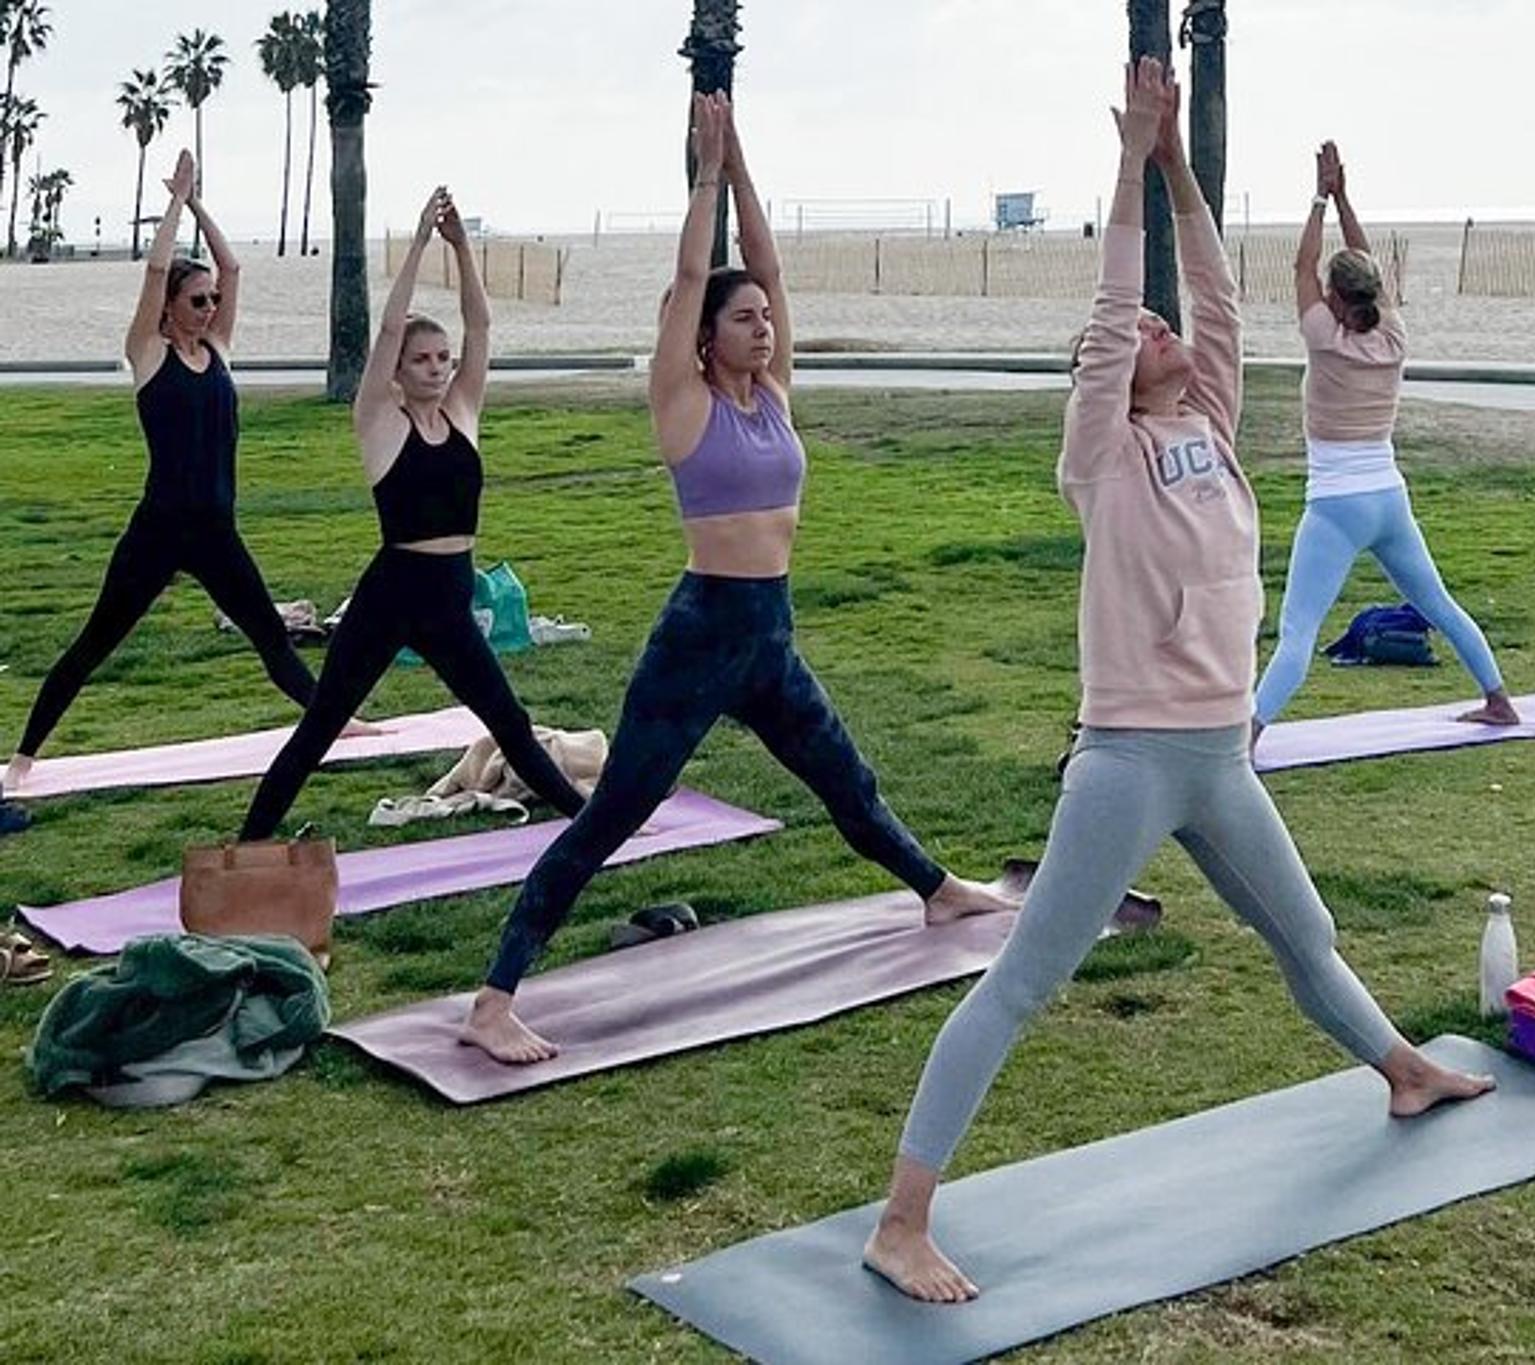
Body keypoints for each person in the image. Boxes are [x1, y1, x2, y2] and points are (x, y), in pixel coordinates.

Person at [861, 62, 1495, 1305]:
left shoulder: (1206, 421)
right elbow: (1114, 313)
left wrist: (1178, 168)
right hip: (1131, 757)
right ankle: (900, 1220)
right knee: (1024, 981)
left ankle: (1402, 1071)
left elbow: (1216, 295)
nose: (1159, 328)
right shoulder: (1102, 453)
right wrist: (1125, 162)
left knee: (1304, 936)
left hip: (1218, 754)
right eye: (1139, 335)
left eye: (1164, 330)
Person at [458, 94, 1013, 1065]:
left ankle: (936, 891)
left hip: (768, 635)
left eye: (765, 318)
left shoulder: (775, 397)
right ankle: (493, 1000)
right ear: (705, 336)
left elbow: (771, 268)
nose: (762, 327)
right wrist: (708, 174)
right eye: (743, 319)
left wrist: (747, 168)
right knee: (612, 817)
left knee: (846, 780)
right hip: (700, 636)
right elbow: (690, 276)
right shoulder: (683, 403)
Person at [3, 150, 347, 814]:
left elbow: (233, 267)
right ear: (167, 309)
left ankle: (337, 724)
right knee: (94, 643)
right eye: (198, 300)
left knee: (270, 637)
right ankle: (23, 757)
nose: (210, 306)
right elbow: (157, 269)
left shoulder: (217, 349)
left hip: (217, 532)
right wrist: (172, 204)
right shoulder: (148, 353)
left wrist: (197, 204)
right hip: (158, 532)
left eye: (212, 300)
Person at [237, 188, 586, 841]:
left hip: (450, 597)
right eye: (421, 360)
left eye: (442, 359)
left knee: (509, 722)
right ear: (396, 370)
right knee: (322, 726)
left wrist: (462, 249)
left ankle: (590, 827)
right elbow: (389, 329)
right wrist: (420, 242)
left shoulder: (462, 413)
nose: (436, 369)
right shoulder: (380, 420)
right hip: (391, 595)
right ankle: (247, 844)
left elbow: (481, 328)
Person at [1251, 140, 1517, 741]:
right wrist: (1345, 199)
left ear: (1335, 297)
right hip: (1389, 499)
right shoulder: (1392, 334)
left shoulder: (1325, 337)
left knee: (1298, 631)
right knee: (1439, 604)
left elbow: (1300, 268)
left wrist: (1320, 198)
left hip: (1337, 505)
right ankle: (1498, 700)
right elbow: (1364, 265)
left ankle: (1248, 735)